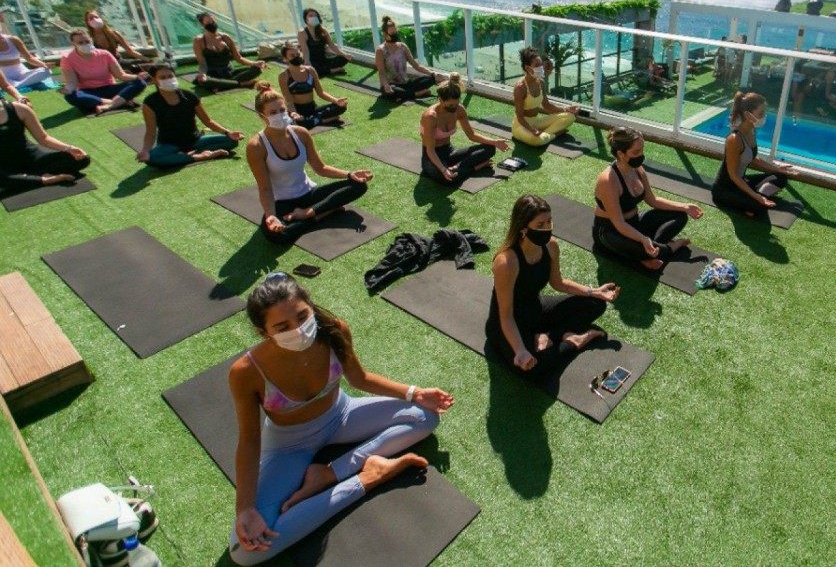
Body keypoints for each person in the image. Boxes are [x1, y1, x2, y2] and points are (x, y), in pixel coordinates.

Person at [227, 272, 452, 565]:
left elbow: (360, 378)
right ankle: (366, 478)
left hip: (342, 415)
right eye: (282, 327)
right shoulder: (246, 372)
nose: (298, 330)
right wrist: (245, 509)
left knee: (426, 417)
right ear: (264, 332)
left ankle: (331, 474)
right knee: (244, 552)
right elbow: (249, 440)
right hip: (289, 446)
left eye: (302, 316)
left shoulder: (334, 331)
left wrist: (414, 393)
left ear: (310, 306)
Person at [488, 195, 618, 378]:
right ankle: (574, 341)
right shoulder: (506, 262)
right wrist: (520, 351)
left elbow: (558, 282)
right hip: (509, 324)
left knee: (596, 303)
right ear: (523, 228)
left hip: (536, 309)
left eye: (549, 222)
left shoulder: (551, 246)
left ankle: (550, 335)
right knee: (532, 367)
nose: (547, 228)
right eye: (540, 224)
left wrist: (594, 292)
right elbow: (506, 315)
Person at [246, 84, 373, 244]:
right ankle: (323, 212)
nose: (279, 115)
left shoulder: (300, 133)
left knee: (359, 185)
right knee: (276, 236)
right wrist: (271, 215)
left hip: (309, 194)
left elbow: (321, 168)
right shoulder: (256, 146)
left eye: (282, 110)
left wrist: (349, 174)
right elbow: (265, 188)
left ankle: (308, 214)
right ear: (262, 116)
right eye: (273, 112)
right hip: (282, 203)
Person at [592, 127, 702, 271]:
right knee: (645, 248)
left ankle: (649, 252)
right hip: (611, 230)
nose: (641, 155)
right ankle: (671, 246)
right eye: (636, 152)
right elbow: (619, 223)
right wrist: (643, 239)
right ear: (621, 154)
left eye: (642, 150)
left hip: (635, 222)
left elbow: (653, 200)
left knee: (680, 216)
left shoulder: (637, 169)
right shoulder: (608, 180)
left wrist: (684, 207)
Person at [137, 64, 243, 169]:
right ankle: (200, 156)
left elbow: (208, 121)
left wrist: (228, 133)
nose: (168, 79)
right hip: (169, 144)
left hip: (195, 140)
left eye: (170, 76)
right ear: (154, 80)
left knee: (232, 141)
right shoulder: (150, 102)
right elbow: (151, 132)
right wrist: (145, 150)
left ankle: (184, 156)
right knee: (152, 158)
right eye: (162, 77)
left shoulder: (190, 96)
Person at [711, 91, 798, 217]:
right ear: (748, 115)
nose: (764, 117)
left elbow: (753, 159)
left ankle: (753, 198)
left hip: (742, 182)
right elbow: (733, 176)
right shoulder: (734, 139)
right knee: (759, 208)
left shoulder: (752, 130)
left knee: (781, 177)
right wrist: (757, 197)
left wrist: (777, 169)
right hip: (725, 189)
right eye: (761, 114)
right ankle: (754, 200)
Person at [420, 73, 509, 184]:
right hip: (431, 157)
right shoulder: (430, 116)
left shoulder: (459, 110)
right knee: (449, 180)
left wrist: (495, 142)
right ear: (441, 100)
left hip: (449, 152)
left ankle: (456, 167)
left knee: (490, 148)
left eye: (456, 104)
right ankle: (477, 167)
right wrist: (443, 170)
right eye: (450, 105)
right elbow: (430, 150)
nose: (454, 107)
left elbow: (472, 135)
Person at [0, 98, 89, 194]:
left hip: (30, 156)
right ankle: (43, 179)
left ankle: (25, 177)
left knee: (81, 159)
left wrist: (69, 148)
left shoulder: (20, 109)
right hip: (3, 165)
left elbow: (43, 138)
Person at [60, 29, 148, 115]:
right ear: (73, 44)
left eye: (87, 41)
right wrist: (67, 89)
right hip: (88, 93)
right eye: (80, 43)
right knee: (70, 96)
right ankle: (119, 102)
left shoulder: (104, 54)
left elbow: (121, 75)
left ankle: (109, 105)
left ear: (91, 40)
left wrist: (137, 77)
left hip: (110, 89)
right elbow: (72, 82)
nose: (85, 44)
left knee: (140, 82)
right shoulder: (67, 58)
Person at [511, 47, 577, 146]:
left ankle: (544, 134)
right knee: (536, 140)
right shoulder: (520, 87)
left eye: (541, 64)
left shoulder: (540, 82)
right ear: (528, 68)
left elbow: (547, 106)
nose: (541, 67)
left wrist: (566, 109)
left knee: (570, 117)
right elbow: (520, 117)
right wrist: (532, 130)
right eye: (537, 65)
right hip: (521, 126)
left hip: (536, 121)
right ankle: (553, 134)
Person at [277, 42, 347, 130]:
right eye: (292, 55)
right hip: (297, 110)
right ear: (285, 59)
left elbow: (321, 93)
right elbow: (288, 100)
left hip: (313, 108)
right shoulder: (284, 76)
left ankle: (313, 120)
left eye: (298, 54)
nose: (296, 57)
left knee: (341, 107)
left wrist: (336, 100)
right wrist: (294, 113)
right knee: (298, 123)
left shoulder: (310, 70)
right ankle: (322, 120)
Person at [193, 12, 265, 91]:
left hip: (229, 72)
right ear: (202, 24)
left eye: (212, 21)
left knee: (257, 69)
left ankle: (222, 85)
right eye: (208, 22)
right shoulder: (199, 40)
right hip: (211, 74)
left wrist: (255, 63)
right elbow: (202, 63)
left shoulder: (226, 37)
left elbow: (239, 58)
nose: (211, 23)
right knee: (204, 80)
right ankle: (241, 84)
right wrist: (202, 74)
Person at [375, 16, 439, 102]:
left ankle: (405, 95)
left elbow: (416, 66)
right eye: (392, 33)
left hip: (406, 83)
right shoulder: (380, 50)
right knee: (391, 91)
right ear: (385, 34)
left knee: (431, 79)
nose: (394, 34)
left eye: (395, 32)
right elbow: (381, 72)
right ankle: (417, 94)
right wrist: (386, 85)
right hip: (391, 85)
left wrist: (432, 73)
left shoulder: (403, 47)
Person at [0, 12, 53, 91]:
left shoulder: (13, 40)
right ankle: (15, 86)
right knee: (3, 82)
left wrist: (44, 65)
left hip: (22, 74)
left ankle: (14, 86)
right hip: (3, 77)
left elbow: (29, 58)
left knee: (46, 71)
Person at [84, 9, 151, 69]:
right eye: (91, 18)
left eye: (96, 17)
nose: (94, 19)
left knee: (141, 65)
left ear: (101, 18)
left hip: (118, 62)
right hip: (102, 66)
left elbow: (130, 51)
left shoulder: (114, 34)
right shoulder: (89, 38)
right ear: (88, 23)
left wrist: (148, 60)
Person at [297, 8, 349, 78]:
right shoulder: (302, 33)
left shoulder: (323, 30)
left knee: (344, 58)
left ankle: (326, 70)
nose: (313, 17)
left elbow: (332, 45)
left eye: (315, 16)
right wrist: (307, 61)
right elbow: (305, 50)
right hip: (312, 60)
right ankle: (333, 70)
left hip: (324, 59)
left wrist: (345, 54)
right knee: (311, 70)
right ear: (306, 19)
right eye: (311, 16)